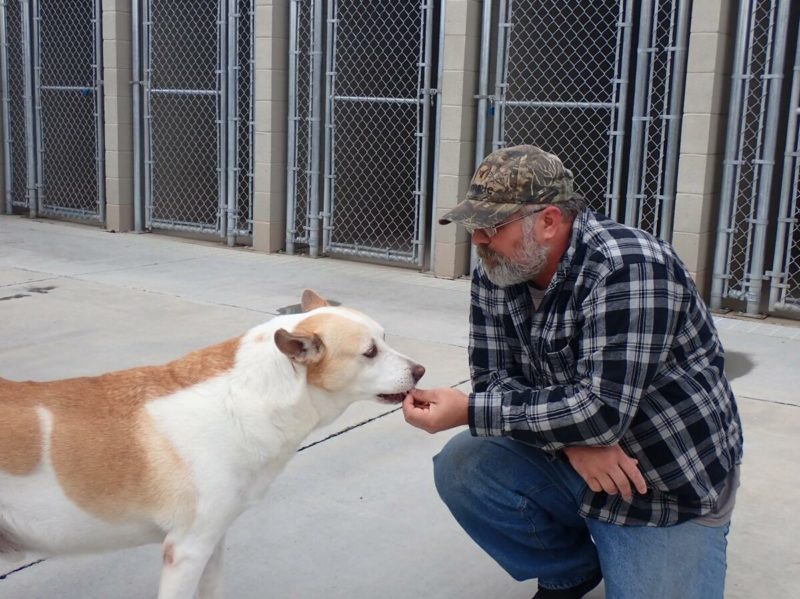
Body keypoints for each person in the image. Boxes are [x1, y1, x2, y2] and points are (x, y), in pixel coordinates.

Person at [402, 145, 743, 599]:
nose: (478, 240)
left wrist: (472, 411)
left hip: (663, 483)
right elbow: (492, 378)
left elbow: (600, 412)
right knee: (464, 465)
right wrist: (573, 440)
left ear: (548, 221)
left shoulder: (629, 268)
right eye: (475, 227)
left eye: (492, 227)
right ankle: (570, 569)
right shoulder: (499, 268)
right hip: (578, 455)